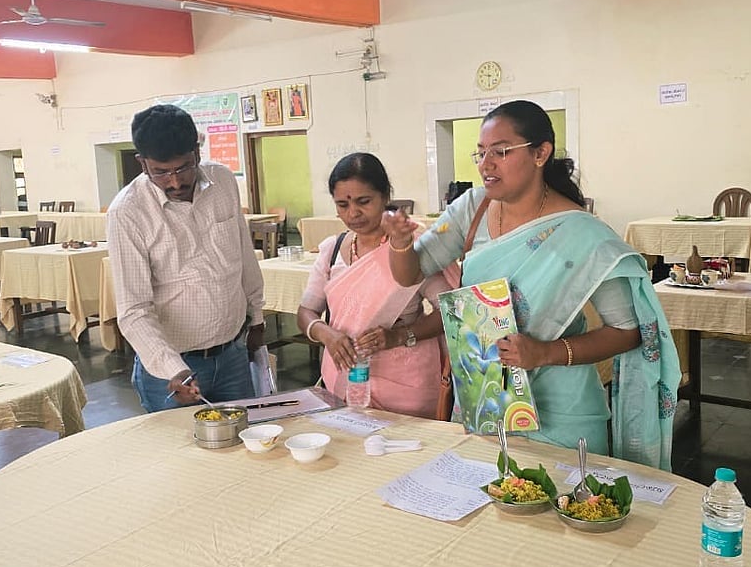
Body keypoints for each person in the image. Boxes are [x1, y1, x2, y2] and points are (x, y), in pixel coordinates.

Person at [382, 100, 680, 469]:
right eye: (480, 153)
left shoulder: (582, 234)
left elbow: (628, 332)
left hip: (563, 418)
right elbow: (410, 273)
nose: (485, 164)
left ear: (541, 153)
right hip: (487, 403)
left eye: (501, 152)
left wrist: (544, 353)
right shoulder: (472, 208)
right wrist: (399, 243)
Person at [106, 104, 265, 412]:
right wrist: (172, 369)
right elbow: (134, 310)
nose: (175, 182)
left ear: (197, 151)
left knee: (247, 450)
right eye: (161, 172)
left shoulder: (223, 182)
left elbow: (245, 258)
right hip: (173, 373)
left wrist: (256, 317)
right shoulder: (128, 212)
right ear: (142, 164)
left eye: (183, 168)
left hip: (233, 354)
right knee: (180, 457)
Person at [296, 153, 449, 419]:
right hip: (346, 380)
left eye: (363, 202)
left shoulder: (410, 246)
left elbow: (450, 311)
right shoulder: (333, 250)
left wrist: (398, 336)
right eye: (342, 205)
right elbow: (306, 312)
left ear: (385, 195)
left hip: (406, 386)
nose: (353, 213)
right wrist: (326, 334)